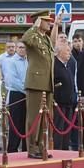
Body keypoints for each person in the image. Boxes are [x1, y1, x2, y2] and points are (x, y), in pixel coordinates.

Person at [22, 10, 59, 159]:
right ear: (38, 21)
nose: (49, 23)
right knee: (34, 117)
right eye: (46, 20)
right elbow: (25, 39)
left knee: (45, 117)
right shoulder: (33, 37)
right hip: (36, 83)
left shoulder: (45, 39)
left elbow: (54, 43)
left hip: (47, 83)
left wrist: (56, 25)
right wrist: (34, 26)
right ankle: (32, 148)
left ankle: (41, 146)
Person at [6, 42, 29, 153]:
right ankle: (12, 149)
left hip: (28, 95)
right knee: (15, 123)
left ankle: (26, 148)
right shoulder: (11, 61)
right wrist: (26, 90)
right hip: (17, 94)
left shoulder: (28, 60)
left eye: (24, 48)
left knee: (26, 122)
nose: (22, 50)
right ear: (16, 49)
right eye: (19, 47)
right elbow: (12, 80)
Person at [53, 43, 77, 151]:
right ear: (59, 52)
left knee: (67, 129)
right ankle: (58, 150)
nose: (70, 53)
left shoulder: (67, 65)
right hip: (59, 103)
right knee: (59, 129)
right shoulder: (55, 65)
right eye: (67, 51)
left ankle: (65, 149)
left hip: (68, 103)